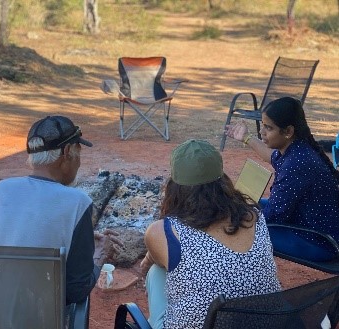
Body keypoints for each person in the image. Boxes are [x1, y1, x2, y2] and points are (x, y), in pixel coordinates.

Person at [0, 115, 122, 328]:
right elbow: (75, 290)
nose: (79, 162)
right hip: (31, 318)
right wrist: (99, 256)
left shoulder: (1, 189)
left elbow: (18, 234)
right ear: (66, 153)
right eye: (79, 152)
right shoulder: (77, 201)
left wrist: (69, 238)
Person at [140, 139, 281, 329]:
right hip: (266, 323)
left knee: (156, 271)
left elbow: (151, 264)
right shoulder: (253, 215)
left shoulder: (162, 230)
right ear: (223, 180)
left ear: (175, 187)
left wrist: (147, 265)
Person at [225, 96, 339, 261]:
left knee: (239, 227)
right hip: (305, 222)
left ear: (288, 132)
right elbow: (271, 156)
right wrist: (246, 137)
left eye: (268, 128)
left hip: (320, 241)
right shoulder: (297, 148)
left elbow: (271, 216)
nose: (261, 132)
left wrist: (234, 215)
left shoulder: (296, 165)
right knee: (244, 202)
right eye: (263, 126)